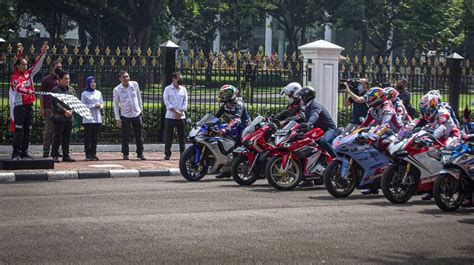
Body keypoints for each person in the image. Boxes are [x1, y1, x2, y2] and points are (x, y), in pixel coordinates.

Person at [359, 87, 403, 194]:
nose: (369, 100)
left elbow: (385, 125)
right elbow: (364, 124)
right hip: (384, 133)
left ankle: (392, 170)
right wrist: (352, 134)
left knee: (383, 144)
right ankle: (373, 181)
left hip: (397, 134)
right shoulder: (372, 110)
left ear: (379, 98)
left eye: (371, 97)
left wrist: (376, 134)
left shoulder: (387, 108)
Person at [9, 42, 48, 160]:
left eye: (26, 64)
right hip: (20, 107)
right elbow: (18, 87)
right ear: (17, 66)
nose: (26, 66)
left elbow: (37, 65)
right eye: (23, 64)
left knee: (28, 131)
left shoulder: (29, 74)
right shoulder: (14, 77)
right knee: (19, 130)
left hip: (29, 106)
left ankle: (24, 152)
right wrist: (27, 91)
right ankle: (16, 153)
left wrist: (43, 53)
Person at [294, 86, 337, 187]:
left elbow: (315, 115)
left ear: (306, 97)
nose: (300, 99)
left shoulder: (315, 105)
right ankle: (309, 178)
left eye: (302, 96)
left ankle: (337, 160)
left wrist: (309, 123)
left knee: (323, 142)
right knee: (303, 146)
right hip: (317, 130)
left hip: (328, 129)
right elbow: (301, 119)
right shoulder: (307, 107)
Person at [214, 84, 251, 178]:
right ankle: (227, 169)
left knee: (237, 146)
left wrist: (226, 128)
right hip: (234, 126)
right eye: (222, 94)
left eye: (225, 94)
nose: (222, 96)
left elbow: (237, 119)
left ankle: (240, 167)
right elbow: (215, 116)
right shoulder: (225, 105)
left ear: (231, 94)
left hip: (244, 127)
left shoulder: (239, 104)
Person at [113, 70, 146, 160]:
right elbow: (115, 104)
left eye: (127, 76)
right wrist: (117, 118)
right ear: (120, 79)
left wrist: (141, 109)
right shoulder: (117, 89)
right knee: (125, 136)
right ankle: (125, 153)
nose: (126, 79)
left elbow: (139, 97)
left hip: (136, 113)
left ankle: (140, 153)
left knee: (139, 135)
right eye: (124, 77)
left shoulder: (135, 84)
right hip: (125, 115)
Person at [50, 71, 76, 162]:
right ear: (60, 79)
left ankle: (66, 155)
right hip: (58, 118)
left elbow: (75, 102)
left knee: (67, 138)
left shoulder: (71, 90)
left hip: (69, 118)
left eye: (68, 78)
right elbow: (55, 103)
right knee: (57, 137)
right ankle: (54, 155)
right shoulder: (55, 90)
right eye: (65, 78)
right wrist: (65, 111)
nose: (67, 80)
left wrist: (71, 111)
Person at [163, 72, 188, 160]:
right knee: (169, 137)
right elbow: (167, 102)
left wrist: (180, 112)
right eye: (179, 78)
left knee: (182, 137)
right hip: (170, 116)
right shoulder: (167, 89)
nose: (180, 80)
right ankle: (167, 154)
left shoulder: (183, 89)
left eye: (181, 78)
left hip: (181, 117)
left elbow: (185, 102)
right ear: (173, 79)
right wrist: (175, 111)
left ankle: (183, 155)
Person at [39, 61, 62, 157]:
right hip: (49, 108)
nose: (59, 68)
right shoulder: (46, 79)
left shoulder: (61, 79)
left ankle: (56, 151)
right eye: (57, 67)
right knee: (48, 130)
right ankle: (46, 151)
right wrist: (42, 108)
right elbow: (41, 94)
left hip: (60, 108)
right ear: (53, 67)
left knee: (59, 131)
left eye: (60, 67)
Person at [81, 76, 103, 161]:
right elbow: (83, 105)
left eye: (94, 82)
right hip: (88, 119)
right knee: (88, 138)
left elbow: (102, 103)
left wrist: (100, 106)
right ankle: (88, 154)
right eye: (91, 82)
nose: (93, 84)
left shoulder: (98, 93)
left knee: (95, 138)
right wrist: (93, 106)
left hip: (97, 118)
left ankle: (94, 154)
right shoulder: (84, 94)